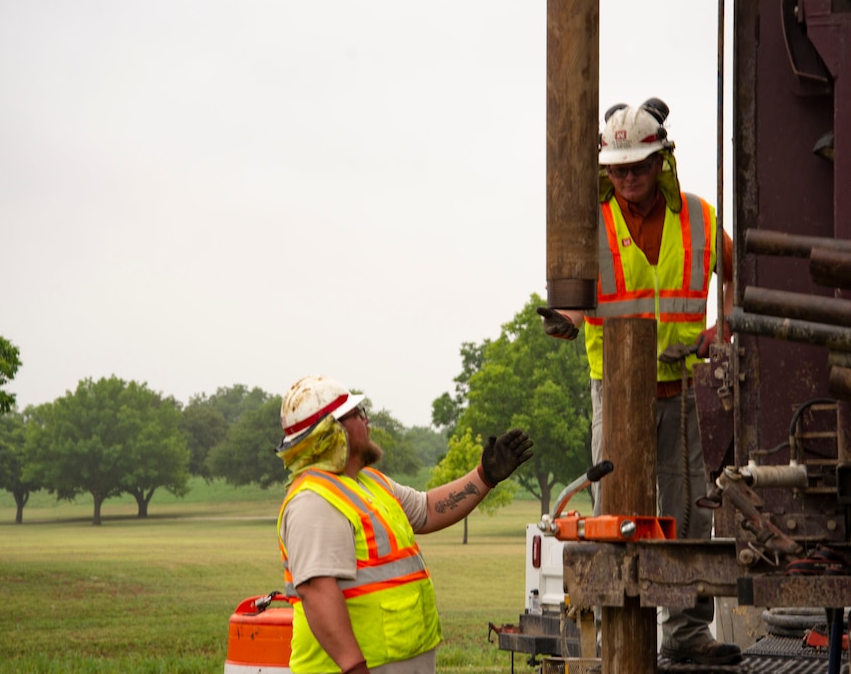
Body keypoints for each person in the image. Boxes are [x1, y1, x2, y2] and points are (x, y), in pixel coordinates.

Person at [537, 99, 739, 666]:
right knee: (615, 516)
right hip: (619, 395)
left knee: (688, 515)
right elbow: (574, 301)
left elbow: (739, 273)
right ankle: (616, 639)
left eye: (638, 167)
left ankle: (686, 634)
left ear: (662, 161)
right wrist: (565, 322)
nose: (628, 179)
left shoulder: (698, 217)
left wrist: (722, 327)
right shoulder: (589, 223)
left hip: (684, 392)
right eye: (618, 169)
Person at [275, 374, 533, 674]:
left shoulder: (369, 482)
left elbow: (428, 510)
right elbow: (317, 591)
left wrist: (484, 476)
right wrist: (354, 666)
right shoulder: (314, 501)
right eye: (357, 414)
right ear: (331, 432)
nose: (367, 420)